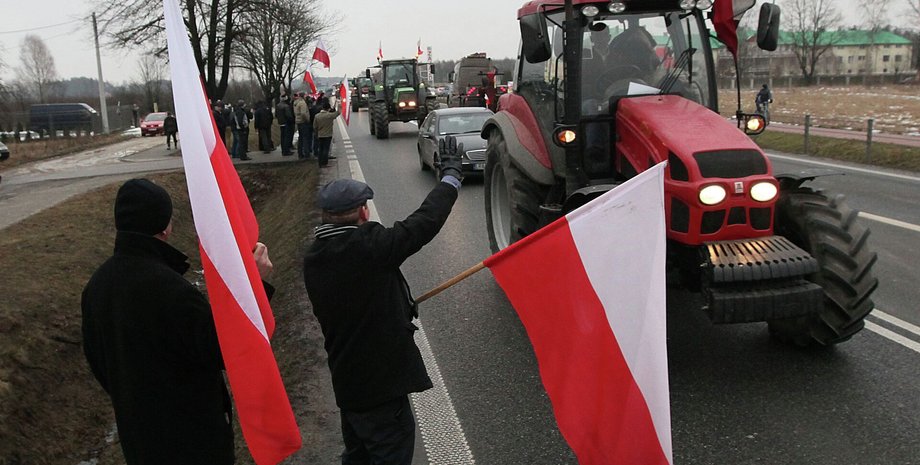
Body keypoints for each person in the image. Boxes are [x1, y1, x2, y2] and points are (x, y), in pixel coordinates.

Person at [81, 178, 275, 465]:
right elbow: (225, 352)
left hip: (139, 439)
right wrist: (254, 286)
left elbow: (98, 361)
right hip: (193, 440)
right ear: (165, 226)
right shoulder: (172, 291)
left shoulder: (96, 287)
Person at [302, 137, 464, 465]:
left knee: (358, 457)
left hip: (348, 386)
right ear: (363, 211)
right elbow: (424, 223)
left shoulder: (313, 258)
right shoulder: (371, 249)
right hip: (381, 391)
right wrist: (450, 179)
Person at [312, 102, 340, 167]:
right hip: (328, 135)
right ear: (328, 108)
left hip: (320, 135)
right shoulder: (329, 115)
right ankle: (324, 163)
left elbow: (315, 126)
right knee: (326, 149)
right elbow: (338, 113)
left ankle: (320, 163)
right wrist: (339, 106)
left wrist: (316, 133)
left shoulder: (317, 116)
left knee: (320, 149)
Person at [293, 92, 312, 159]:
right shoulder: (302, 103)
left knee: (300, 138)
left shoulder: (295, 103)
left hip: (298, 121)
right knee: (305, 138)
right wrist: (307, 119)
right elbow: (303, 113)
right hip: (303, 122)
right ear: (303, 96)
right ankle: (307, 153)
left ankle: (300, 153)